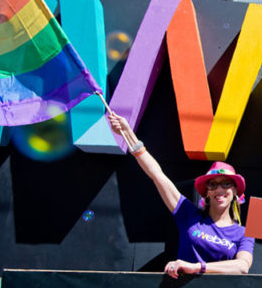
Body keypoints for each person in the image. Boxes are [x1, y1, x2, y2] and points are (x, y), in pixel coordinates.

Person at [108, 113, 253, 278]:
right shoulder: (188, 214)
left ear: (235, 191)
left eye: (226, 184)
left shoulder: (243, 233)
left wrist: (196, 267)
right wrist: (128, 133)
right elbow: (158, 175)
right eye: (213, 184)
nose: (219, 189)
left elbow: (242, 267)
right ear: (206, 192)